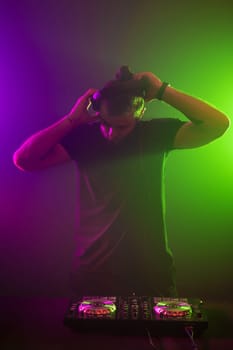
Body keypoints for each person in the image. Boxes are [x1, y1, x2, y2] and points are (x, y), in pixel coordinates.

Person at [13, 66, 229, 297]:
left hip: (152, 272)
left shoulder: (155, 135)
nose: (112, 133)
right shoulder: (86, 138)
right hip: (94, 273)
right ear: (98, 113)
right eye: (106, 123)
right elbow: (24, 160)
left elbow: (218, 124)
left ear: (140, 112)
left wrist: (162, 91)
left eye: (122, 126)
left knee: (158, 332)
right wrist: (71, 121)